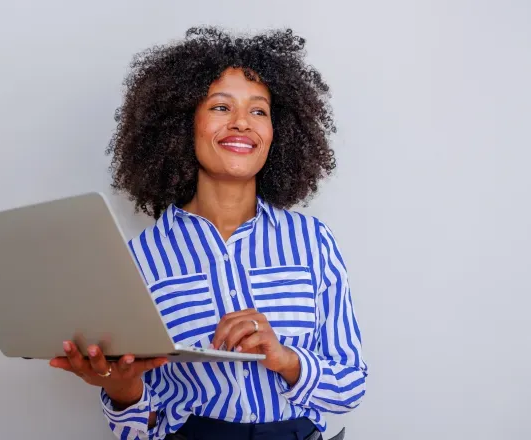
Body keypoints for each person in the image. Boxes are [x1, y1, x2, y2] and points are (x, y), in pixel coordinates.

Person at [49, 27, 368, 440]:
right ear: (183, 124)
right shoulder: (139, 259)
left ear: (278, 132)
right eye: (221, 107)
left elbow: (351, 385)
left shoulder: (313, 241)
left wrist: (287, 359)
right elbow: (138, 431)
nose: (242, 123)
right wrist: (122, 389)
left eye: (259, 111)